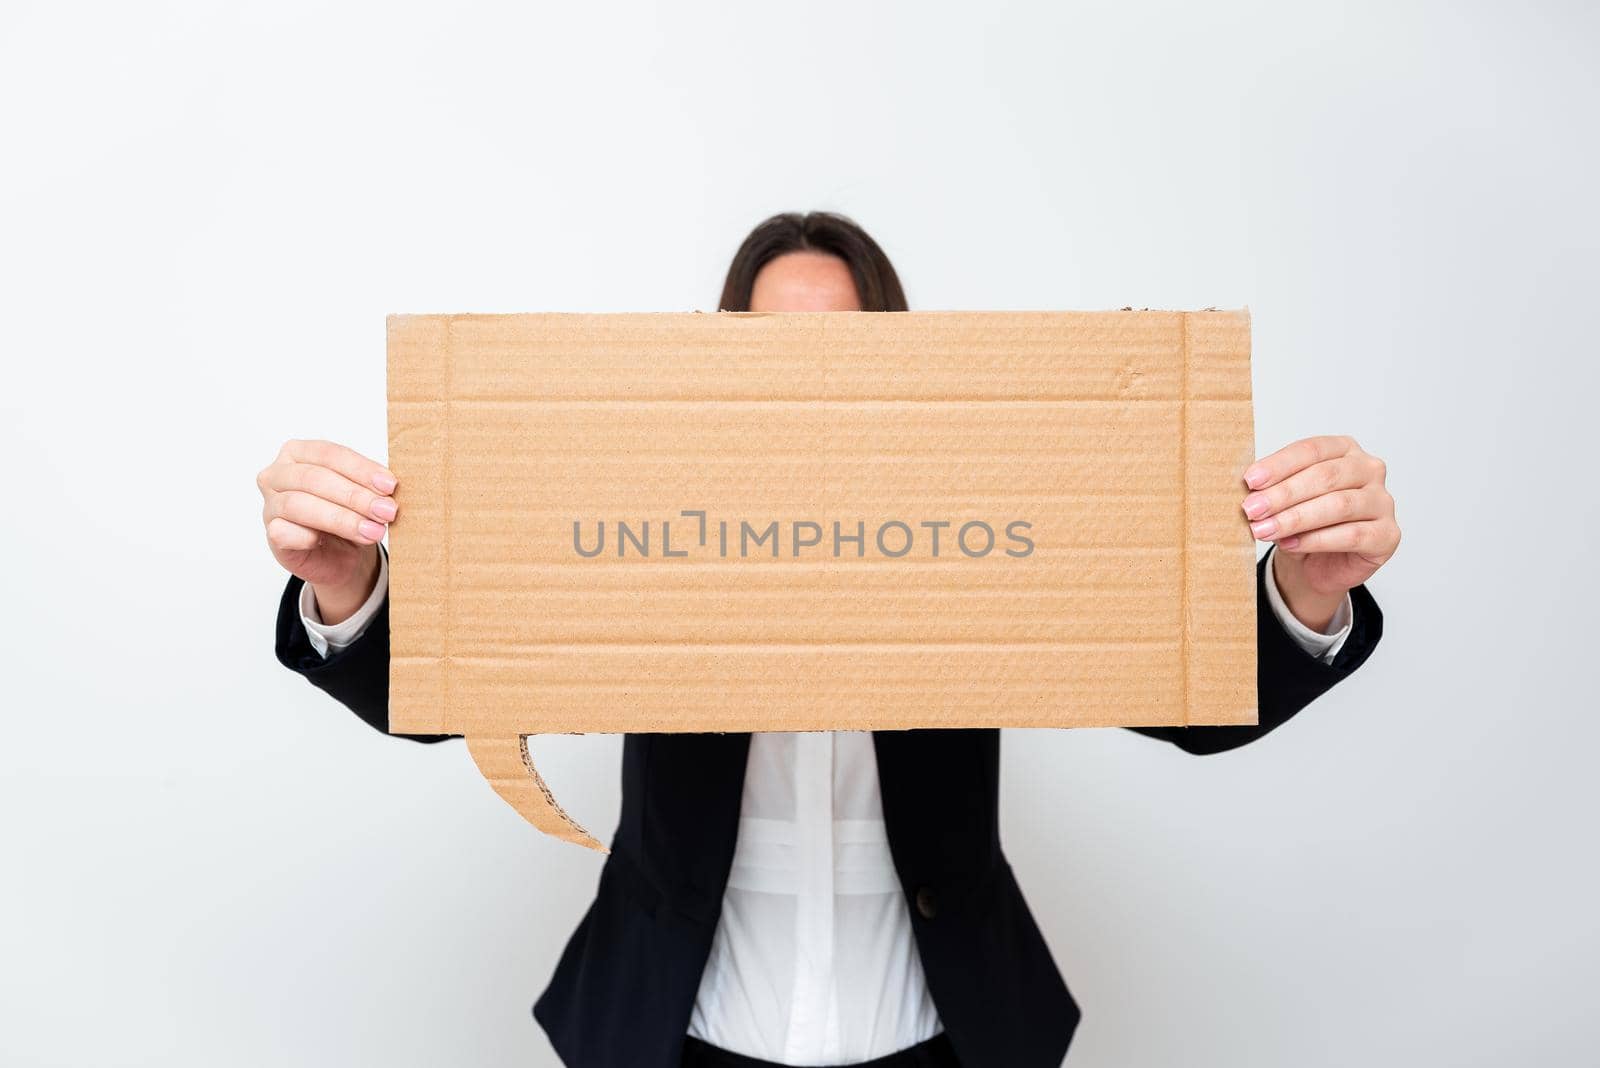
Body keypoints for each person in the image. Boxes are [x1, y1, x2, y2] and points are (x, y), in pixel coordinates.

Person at [261, 212, 1398, 1068]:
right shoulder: (642, 520)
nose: (806, 385)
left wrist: (1302, 590)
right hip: (675, 1027)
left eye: (842, 351)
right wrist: (351, 584)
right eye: (769, 351)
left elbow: (1185, 693)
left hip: (945, 1031)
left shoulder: (987, 520)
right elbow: (455, 679)